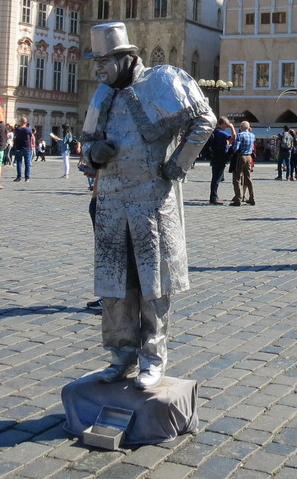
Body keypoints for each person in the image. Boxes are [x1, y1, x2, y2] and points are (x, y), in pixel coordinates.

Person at [80, 22, 215, 389]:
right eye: (96, 61)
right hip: (111, 204)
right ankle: (120, 355)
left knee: (153, 286)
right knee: (114, 284)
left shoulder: (163, 81)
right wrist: (94, 153)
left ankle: (152, 358)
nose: (99, 68)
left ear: (126, 58)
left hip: (151, 203)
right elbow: (86, 147)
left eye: (105, 60)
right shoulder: (102, 95)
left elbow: (205, 120)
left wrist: (177, 165)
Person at [207, 117, 235, 205]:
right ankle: (213, 197)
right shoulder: (220, 133)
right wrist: (232, 127)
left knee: (216, 177)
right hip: (220, 157)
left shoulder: (215, 132)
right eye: (226, 125)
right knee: (216, 178)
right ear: (222, 124)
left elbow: (228, 142)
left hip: (215, 157)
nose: (226, 127)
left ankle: (213, 196)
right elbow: (234, 138)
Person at [230, 121, 256, 206]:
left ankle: (238, 199)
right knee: (248, 178)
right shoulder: (252, 136)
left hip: (241, 157)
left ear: (241, 128)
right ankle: (252, 198)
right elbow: (252, 148)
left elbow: (236, 147)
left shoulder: (240, 135)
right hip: (249, 157)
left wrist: (230, 147)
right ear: (248, 128)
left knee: (237, 178)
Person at [13, 117, 33, 182]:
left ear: (20, 122)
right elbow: (31, 137)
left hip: (18, 147)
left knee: (19, 163)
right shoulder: (28, 129)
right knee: (27, 163)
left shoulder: (17, 129)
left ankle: (19, 177)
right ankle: (27, 178)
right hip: (27, 148)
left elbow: (15, 136)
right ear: (26, 122)